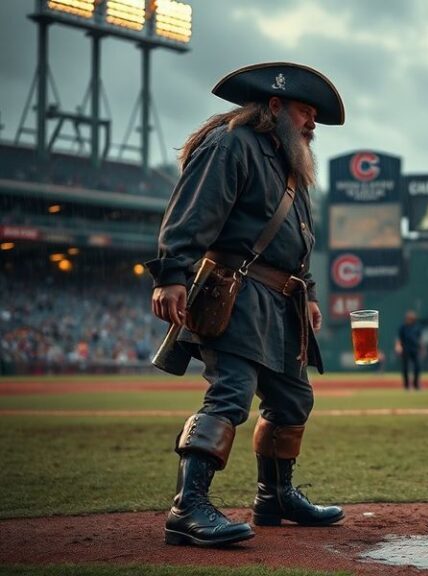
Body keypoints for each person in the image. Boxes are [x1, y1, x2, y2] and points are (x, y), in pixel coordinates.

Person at [147, 62, 346, 548]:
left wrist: (310, 294)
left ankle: (274, 497)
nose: (311, 124)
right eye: (305, 111)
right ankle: (187, 507)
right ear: (274, 106)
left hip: (282, 303)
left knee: (293, 399)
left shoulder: (288, 161)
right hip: (235, 292)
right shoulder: (232, 144)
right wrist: (172, 275)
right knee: (231, 393)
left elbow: (297, 241)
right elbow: (193, 211)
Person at [395, 310, 423, 390]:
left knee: (417, 367)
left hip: (414, 348)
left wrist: (421, 347)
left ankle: (416, 384)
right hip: (406, 349)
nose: (410, 319)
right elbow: (399, 338)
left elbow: (419, 338)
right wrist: (398, 346)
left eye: (411, 318)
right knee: (405, 368)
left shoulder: (417, 327)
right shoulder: (403, 327)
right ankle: (406, 386)